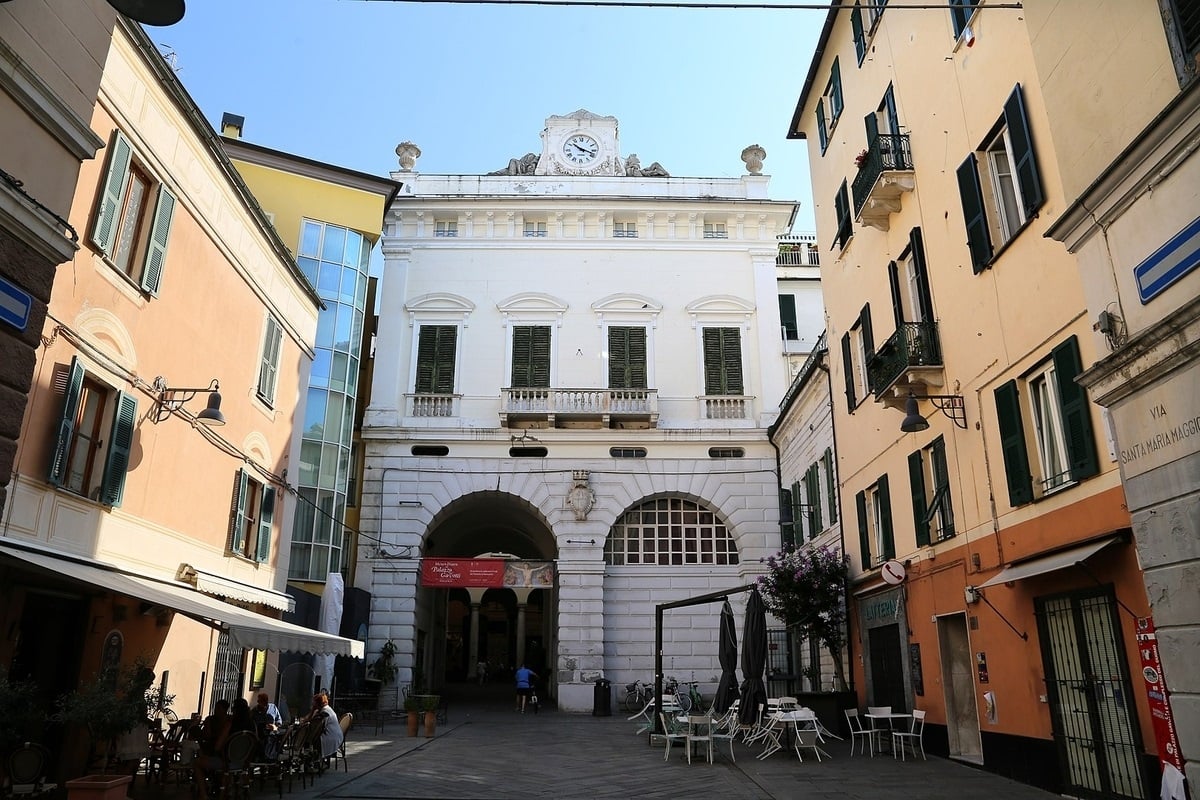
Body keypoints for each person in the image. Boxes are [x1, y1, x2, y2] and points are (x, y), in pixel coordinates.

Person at [193, 699, 232, 797]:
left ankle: (203, 793)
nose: (216, 710)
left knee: (198, 761)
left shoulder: (227, 722)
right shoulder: (213, 720)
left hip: (218, 753)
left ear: (225, 709)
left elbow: (207, 736)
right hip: (223, 754)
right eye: (216, 708)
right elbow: (206, 735)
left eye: (219, 708)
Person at [300, 691, 343, 761]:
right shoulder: (326, 709)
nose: (313, 704)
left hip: (330, 738)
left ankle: (311, 760)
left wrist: (312, 711)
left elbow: (314, 726)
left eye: (314, 703)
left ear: (318, 704)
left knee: (306, 739)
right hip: (336, 736)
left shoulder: (324, 713)